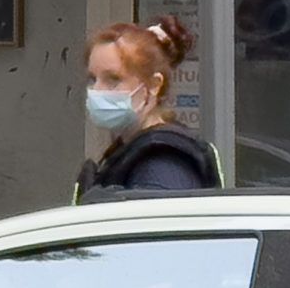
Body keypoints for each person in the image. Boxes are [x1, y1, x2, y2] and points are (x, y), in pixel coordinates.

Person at [74, 17, 221, 199]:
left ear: (153, 85)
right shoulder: (130, 150)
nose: (97, 91)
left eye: (113, 79)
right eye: (92, 79)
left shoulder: (163, 163)